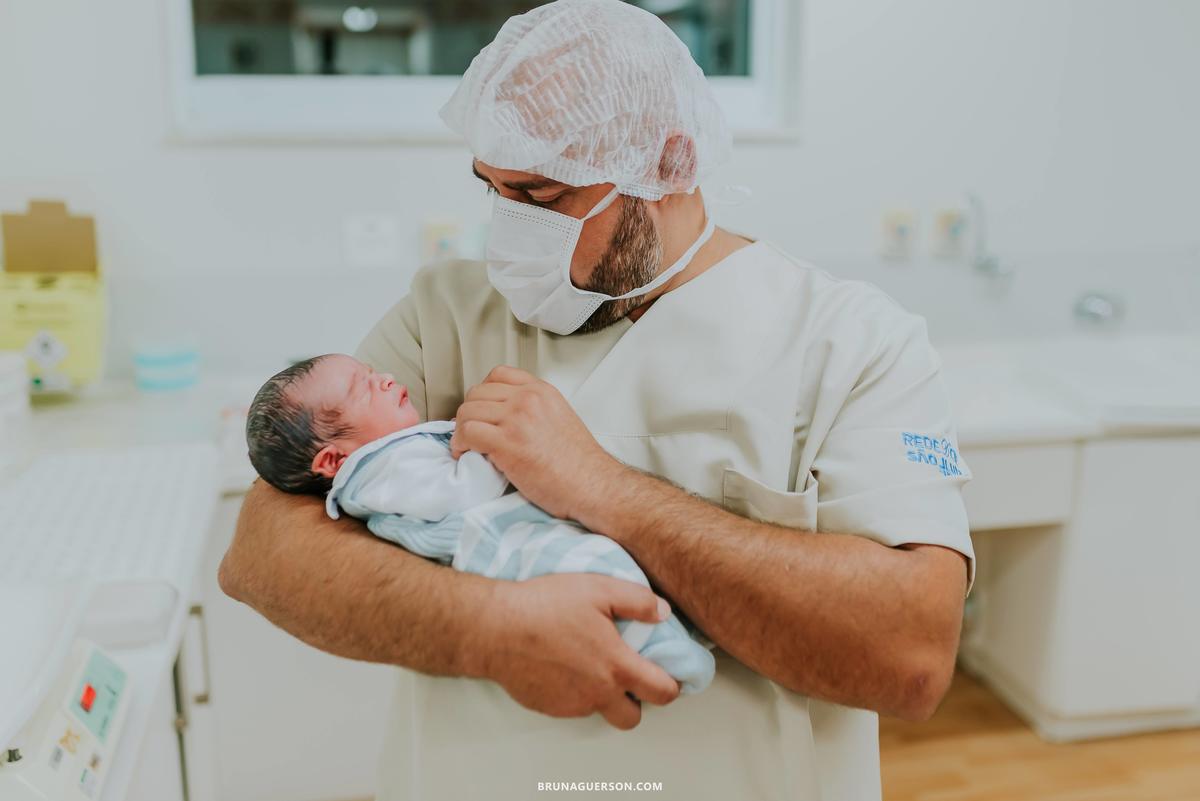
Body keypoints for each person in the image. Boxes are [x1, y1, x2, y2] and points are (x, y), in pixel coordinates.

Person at [219, 1, 974, 799]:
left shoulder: (851, 341)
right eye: (492, 189)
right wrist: (485, 630)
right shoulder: (446, 312)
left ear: (671, 163)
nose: (510, 234)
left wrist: (604, 489)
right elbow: (263, 553)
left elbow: (911, 656)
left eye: (541, 196)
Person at [242, 353, 716, 694]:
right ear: (332, 459)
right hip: (503, 547)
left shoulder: (391, 454)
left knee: (616, 569)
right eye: (363, 389)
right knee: (600, 570)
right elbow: (461, 492)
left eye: (372, 373)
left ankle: (675, 636)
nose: (384, 379)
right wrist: (492, 445)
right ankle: (671, 656)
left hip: (515, 532)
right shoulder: (376, 474)